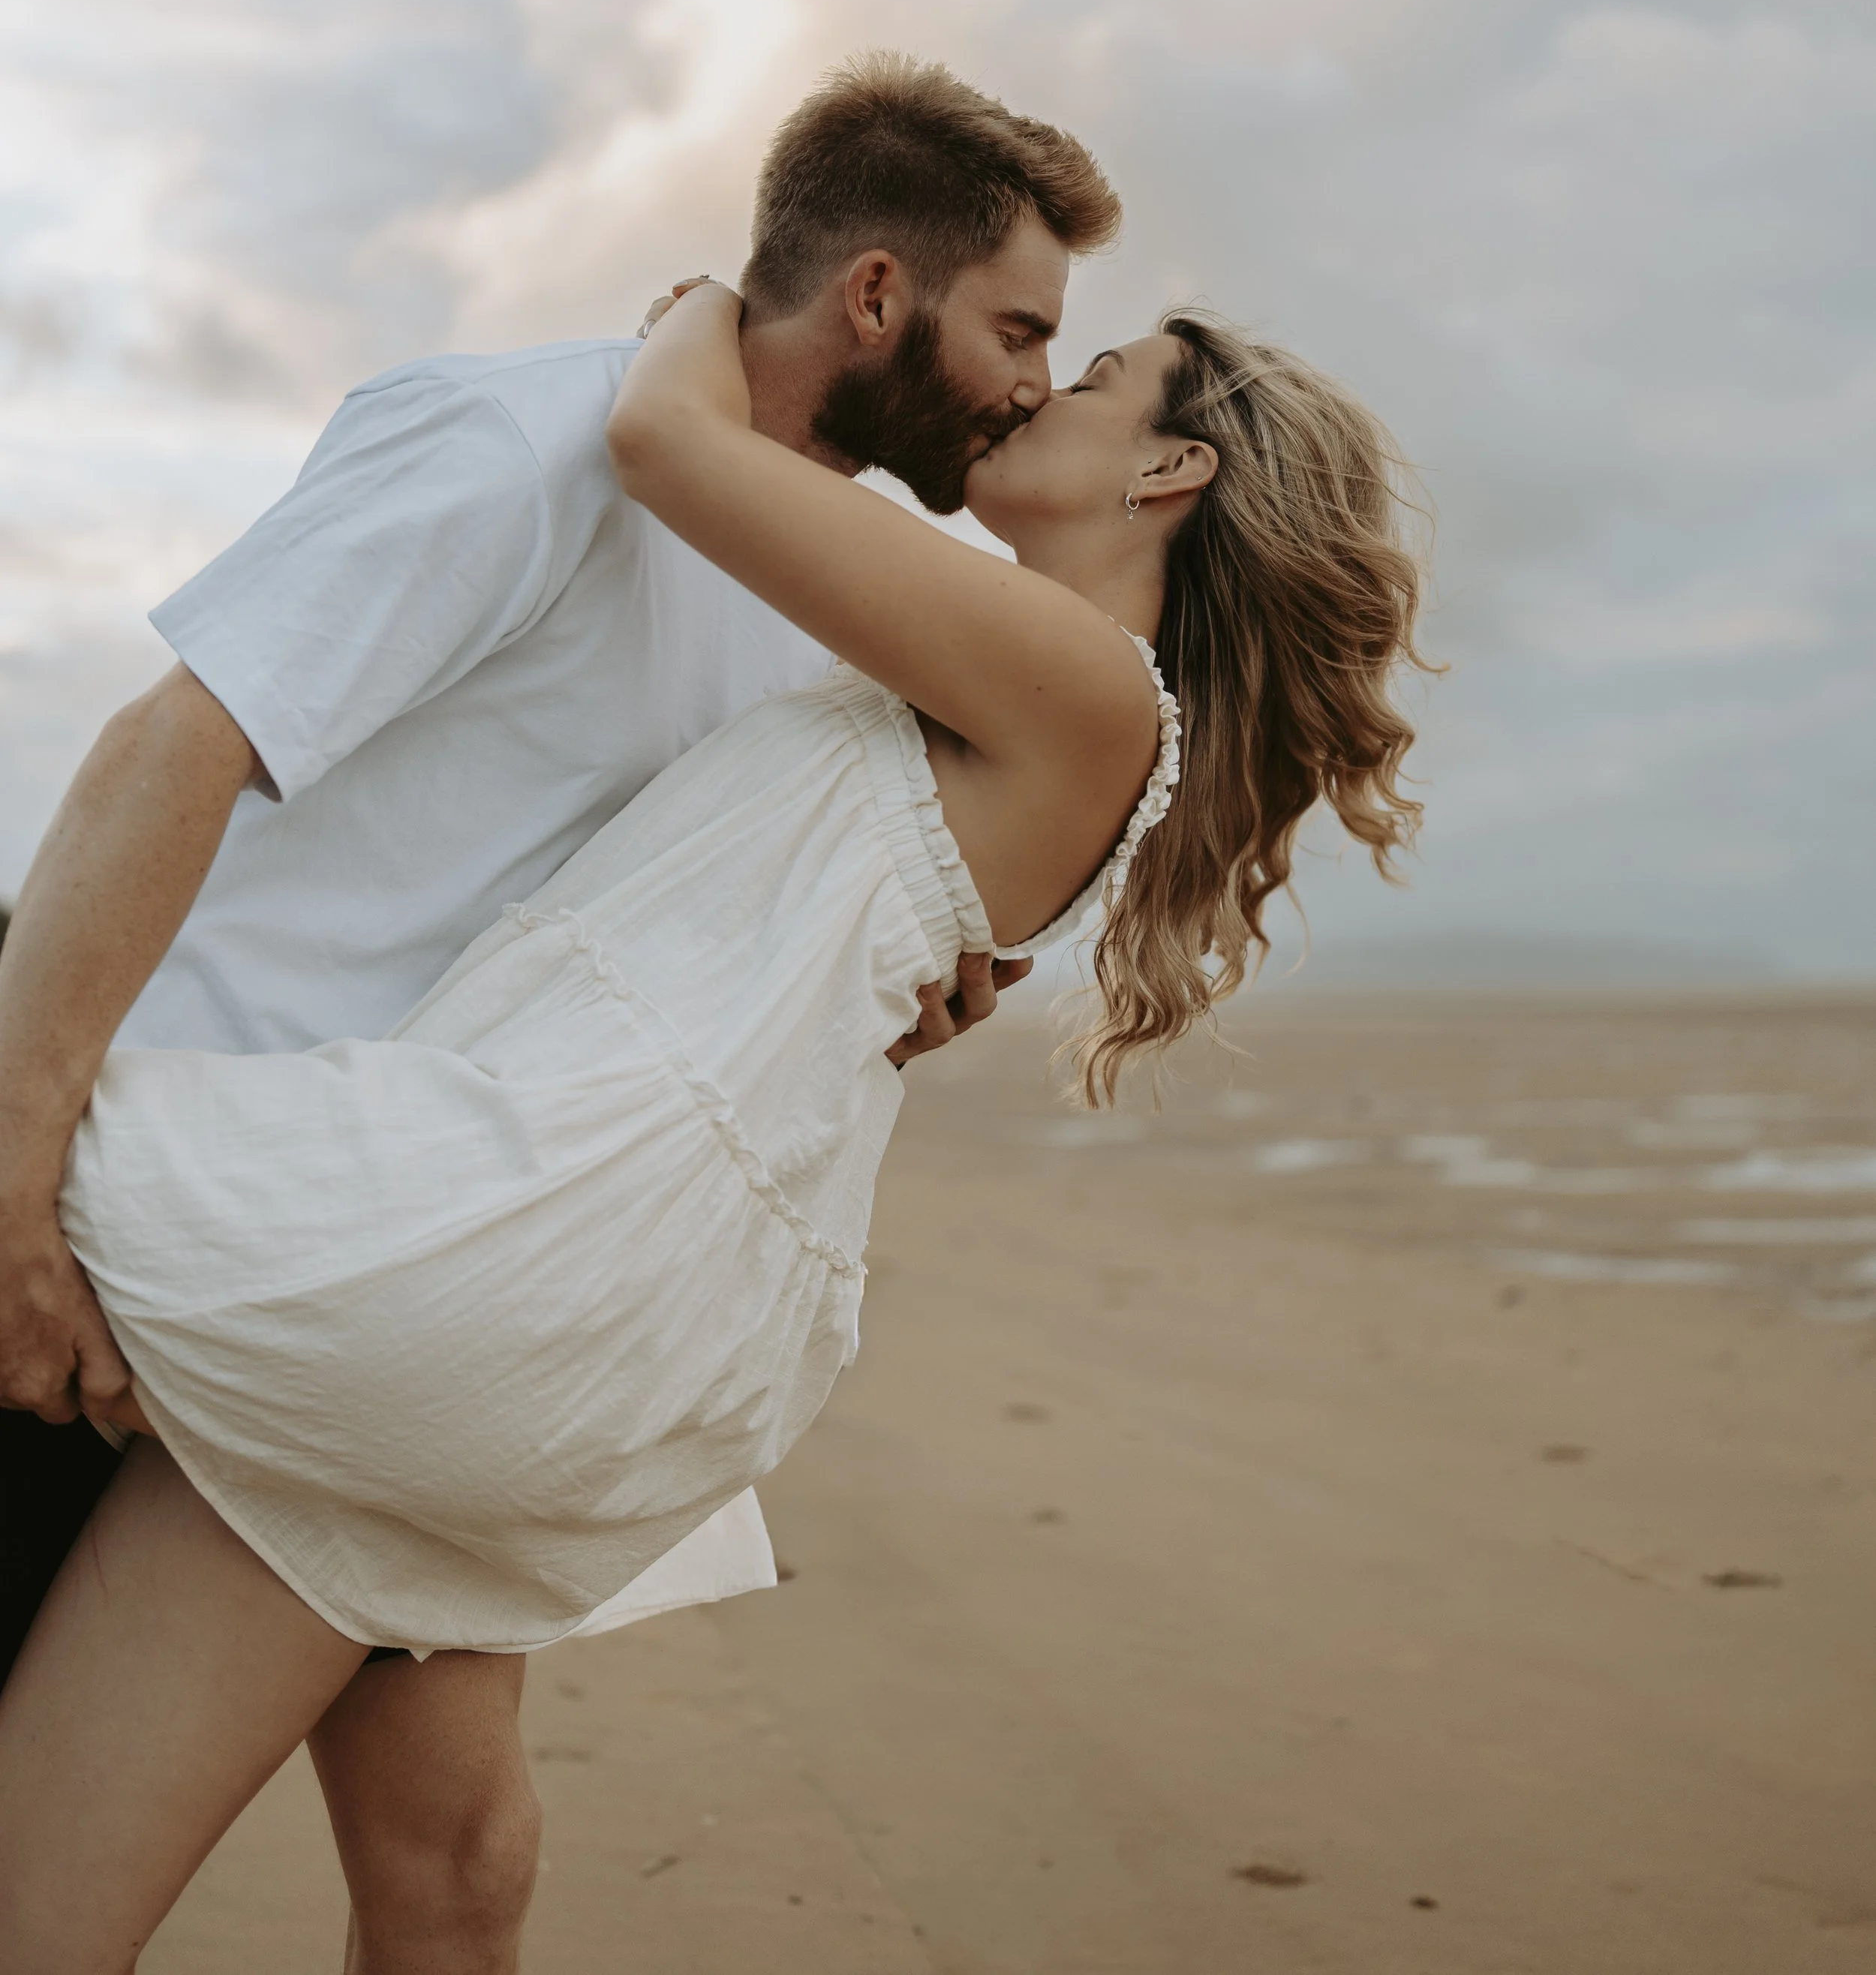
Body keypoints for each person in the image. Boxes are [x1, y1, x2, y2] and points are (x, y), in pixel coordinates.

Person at [0, 256, 1430, 1973]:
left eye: (1095, 369)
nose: (1042, 387)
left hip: (492, 1232)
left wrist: (712, 299)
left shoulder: (1084, 679)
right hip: (560, 1295)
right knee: (279, 1875)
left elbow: (667, 441)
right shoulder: (1001, 696)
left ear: (1167, 470)